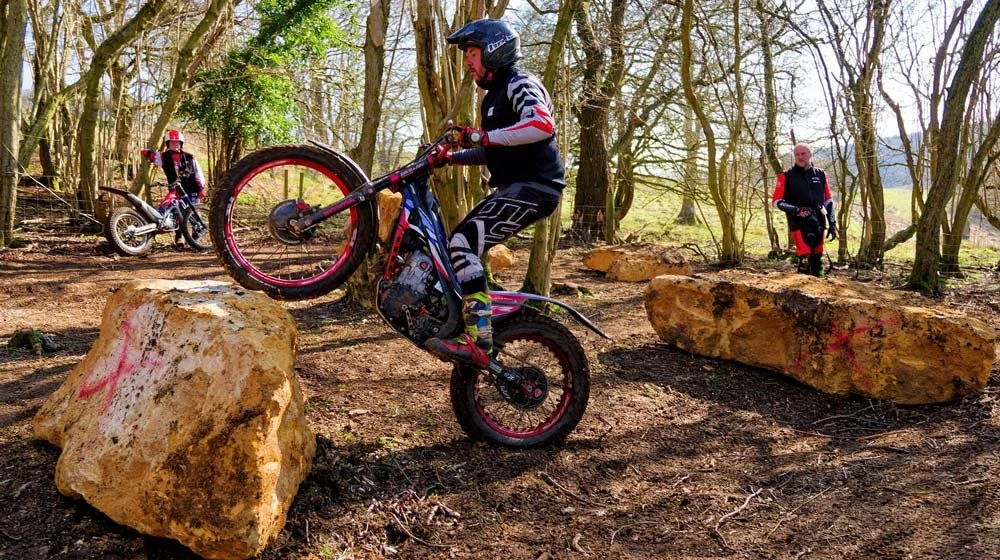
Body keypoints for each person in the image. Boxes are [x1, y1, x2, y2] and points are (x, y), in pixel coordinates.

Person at [423, 18, 566, 368]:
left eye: (472, 53)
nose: (469, 61)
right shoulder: (493, 98)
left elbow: (540, 125)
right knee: (456, 244)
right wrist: (452, 158)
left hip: (536, 187)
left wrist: (481, 137)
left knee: (461, 244)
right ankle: (474, 326)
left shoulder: (520, 82)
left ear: (493, 50)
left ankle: (479, 338)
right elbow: (495, 149)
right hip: (521, 186)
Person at [771, 143, 837, 277]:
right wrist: (797, 210)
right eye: (797, 155)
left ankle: (820, 291)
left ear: (810, 155)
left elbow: (828, 200)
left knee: (817, 258)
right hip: (798, 223)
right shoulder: (786, 176)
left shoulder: (821, 174)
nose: (800, 157)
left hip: (818, 221)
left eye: (803, 154)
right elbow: (776, 201)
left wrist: (832, 223)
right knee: (805, 258)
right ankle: (800, 293)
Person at [140, 130, 206, 244]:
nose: (174, 145)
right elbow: (149, 154)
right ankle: (179, 237)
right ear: (167, 144)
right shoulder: (163, 157)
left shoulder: (190, 158)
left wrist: (201, 188)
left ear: (181, 144)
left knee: (193, 213)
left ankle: (196, 238)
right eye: (172, 143)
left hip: (191, 189)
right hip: (175, 190)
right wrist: (143, 150)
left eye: (177, 143)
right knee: (178, 214)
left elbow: (198, 173)